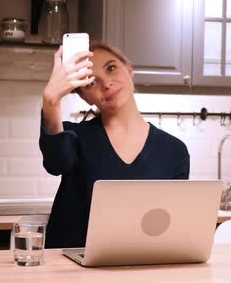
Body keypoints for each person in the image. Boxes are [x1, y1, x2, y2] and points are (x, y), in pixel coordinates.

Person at [39, 42, 190, 248]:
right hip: (69, 269)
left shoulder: (174, 151)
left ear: (129, 69)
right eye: (91, 83)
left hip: (140, 265)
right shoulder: (73, 136)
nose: (106, 84)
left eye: (111, 68)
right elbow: (56, 163)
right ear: (86, 98)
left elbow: (170, 224)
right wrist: (51, 100)